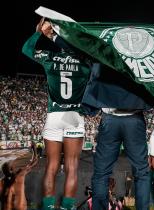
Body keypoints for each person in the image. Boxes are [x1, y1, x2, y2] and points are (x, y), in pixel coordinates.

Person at [22, 18, 91, 210]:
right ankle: (68, 207)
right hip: (75, 116)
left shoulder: (50, 57)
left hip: (54, 116)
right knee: (72, 167)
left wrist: (40, 33)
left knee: (51, 166)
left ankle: (48, 207)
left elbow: (26, 50)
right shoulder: (85, 63)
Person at [82, 62, 154, 210]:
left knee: (101, 174)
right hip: (134, 117)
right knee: (142, 173)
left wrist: (90, 105)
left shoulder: (107, 45)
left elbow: (95, 71)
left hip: (110, 119)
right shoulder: (138, 47)